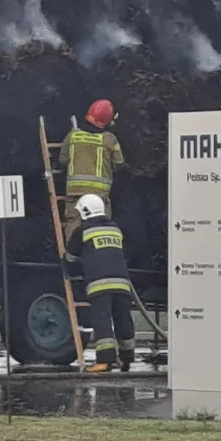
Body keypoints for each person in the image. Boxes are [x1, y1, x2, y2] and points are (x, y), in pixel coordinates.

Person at [63, 194, 136, 373]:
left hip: (99, 285)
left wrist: (67, 267)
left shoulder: (83, 231)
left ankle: (105, 361)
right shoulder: (115, 229)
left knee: (102, 320)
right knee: (123, 320)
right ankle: (126, 359)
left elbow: (71, 258)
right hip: (122, 284)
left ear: (85, 212)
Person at [59, 99, 126, 242]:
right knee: (100, 228)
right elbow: (119, 163)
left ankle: (73, 257)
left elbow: (62, 161)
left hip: (75, 193)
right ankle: (96, 255)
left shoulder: (72, 136)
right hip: (99, 195)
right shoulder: (109, 139)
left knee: (74, 226)